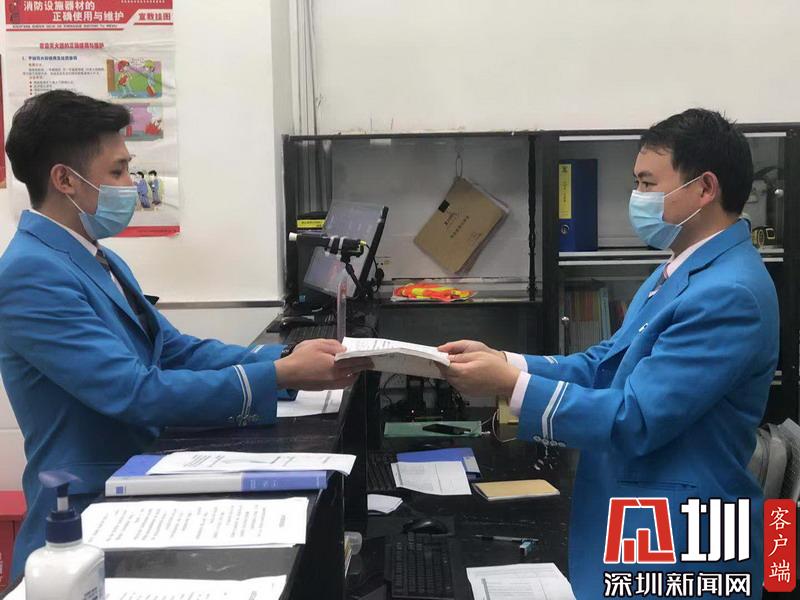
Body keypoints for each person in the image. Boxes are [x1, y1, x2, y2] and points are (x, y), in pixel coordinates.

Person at [0, 90, 369, 579]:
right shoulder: (30, 273)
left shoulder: (96, 256)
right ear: (64, 179)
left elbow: (173, 350)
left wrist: (284, 358)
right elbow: (132, 391)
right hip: (85, 519)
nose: (132, 186)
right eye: (118, 171)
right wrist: (280, 374)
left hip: (138, 486)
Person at [440, 109, 777, 598]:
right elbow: (606, 363)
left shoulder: (729, 293)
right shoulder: (681, 268)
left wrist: (509, 384)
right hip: (638, 519)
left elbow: (635, 418)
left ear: (705, 188)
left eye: (648, 183)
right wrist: (506, 361)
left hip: (679, 544)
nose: (637, 197)